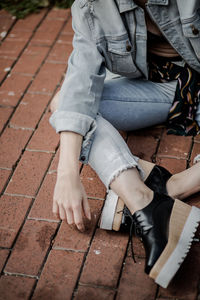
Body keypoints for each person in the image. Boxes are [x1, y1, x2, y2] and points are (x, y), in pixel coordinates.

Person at [49, 0, 200, 288]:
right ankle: (141, 200)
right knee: (63, 103)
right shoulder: (91, 5)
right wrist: (67, 172)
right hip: (163, 86)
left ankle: (169, 188)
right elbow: (80, 83)